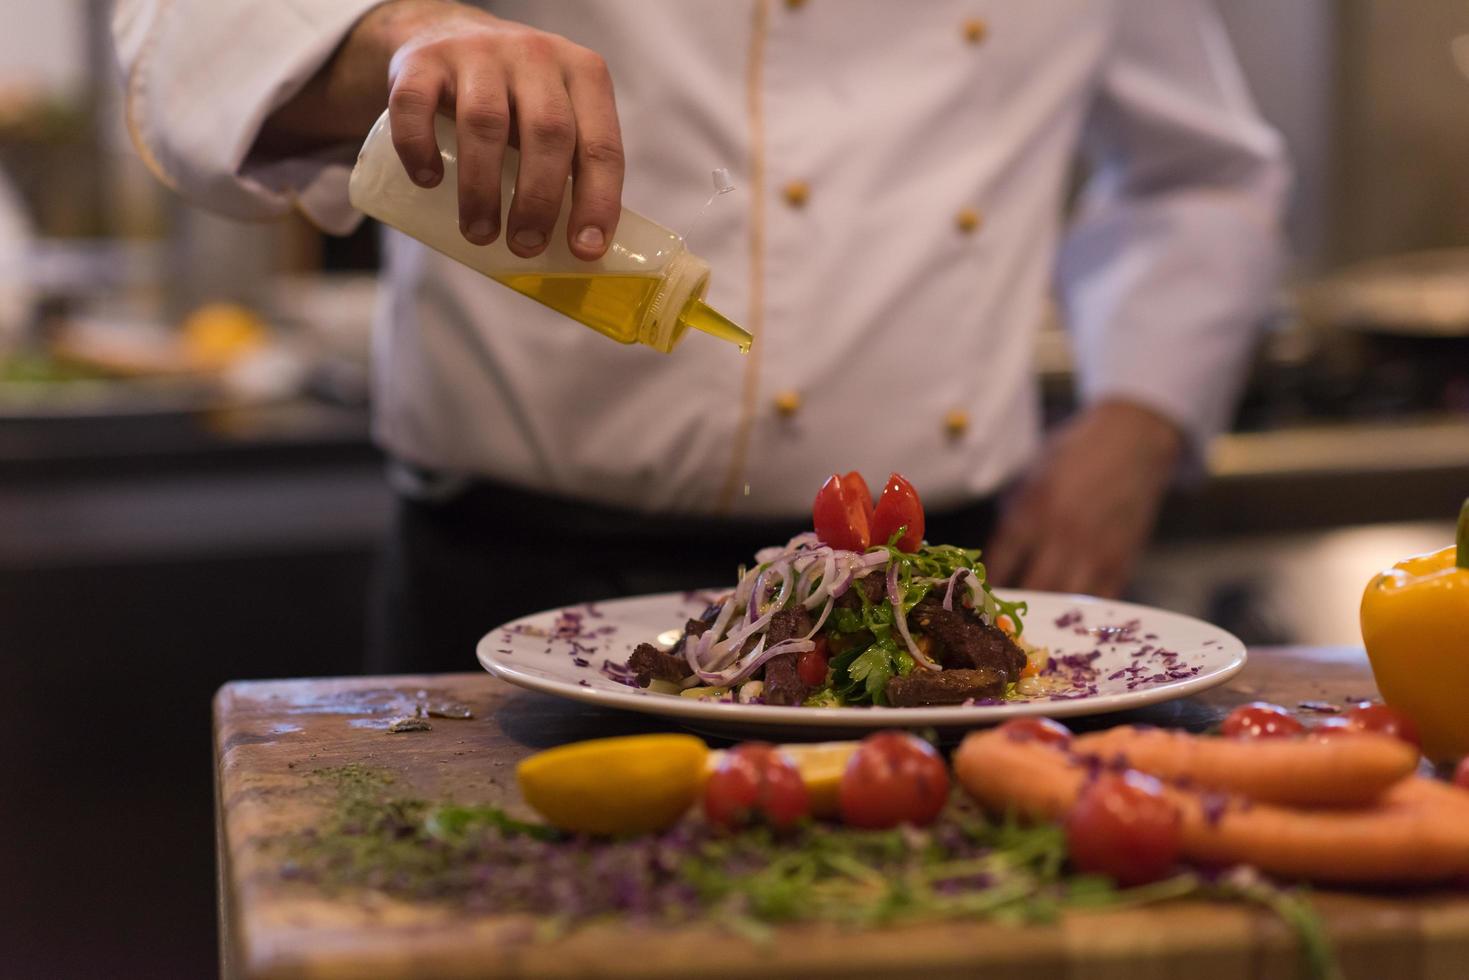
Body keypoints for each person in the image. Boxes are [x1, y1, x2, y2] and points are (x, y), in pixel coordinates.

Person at [113, 0, 1287, 671]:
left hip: (934, 628)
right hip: (508, 585)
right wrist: (395, 36)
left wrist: (1140, 410)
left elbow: (1199, 175)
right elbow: (184, 30)